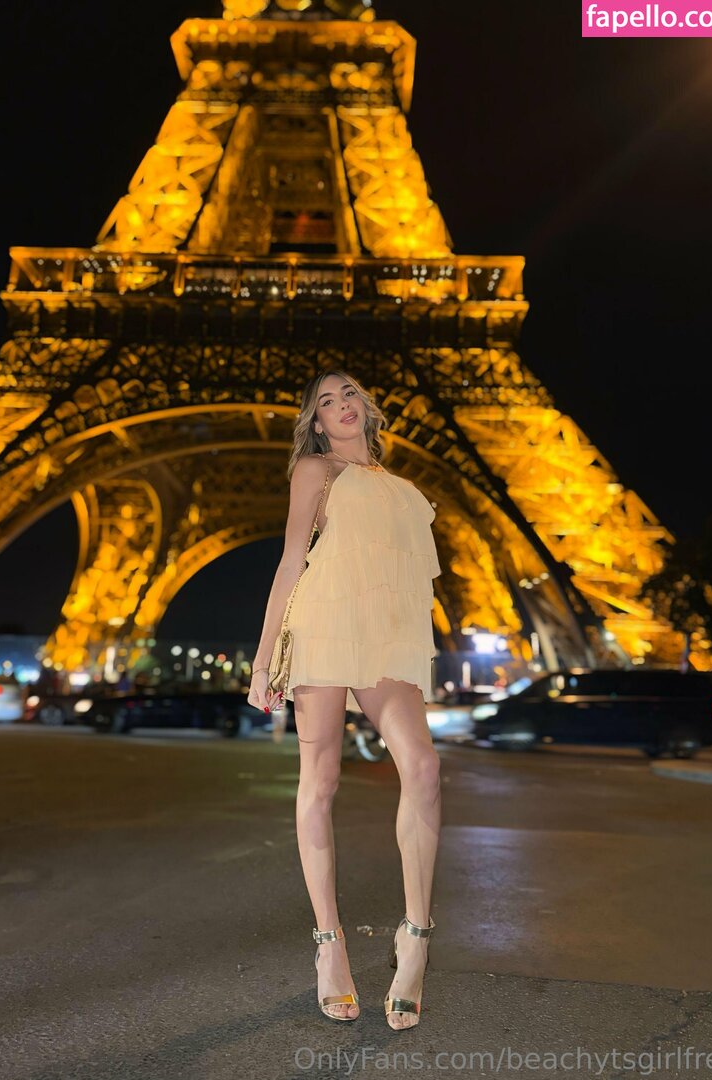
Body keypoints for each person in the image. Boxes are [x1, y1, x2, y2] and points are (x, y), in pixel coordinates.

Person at [248, 369, 443, 1030]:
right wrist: (263, 659)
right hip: (325, 622)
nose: (341, 406)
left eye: (349, 393)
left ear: (367, 404)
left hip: (384, 631)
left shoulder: (397, 485)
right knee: (321, 780)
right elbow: (291, 561)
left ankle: (416, 934)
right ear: (316, 422)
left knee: (423, 767)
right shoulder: (316, 470)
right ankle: (329, 943)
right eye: (325, 402)